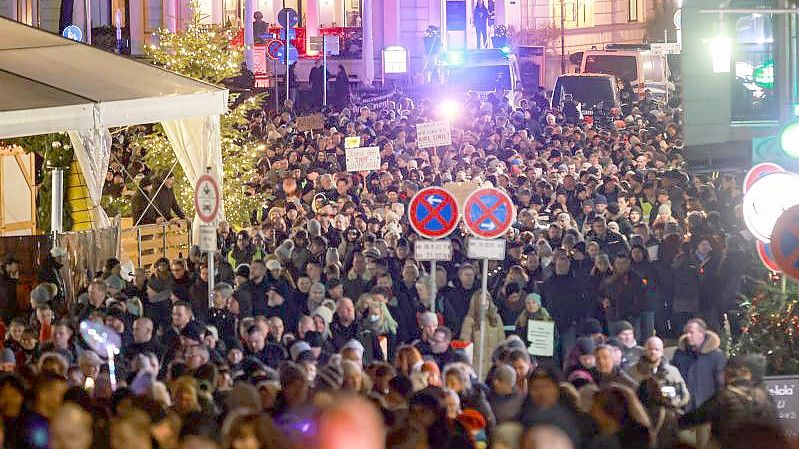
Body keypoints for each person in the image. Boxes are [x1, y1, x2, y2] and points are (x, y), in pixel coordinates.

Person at [671, 318, 726, 412]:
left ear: (702, 334)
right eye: (686, 332)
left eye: (691, 332)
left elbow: (721, 385)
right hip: (682, 408)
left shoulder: (716, 356)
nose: (688, 336)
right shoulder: (680, 354)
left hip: (707, 408)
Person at [627, 336, 690, 410]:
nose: (653, 352)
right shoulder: (632, 371)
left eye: (656, 349)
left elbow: (684, 395)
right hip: (642, 414)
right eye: (650, 349)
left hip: (667, 414)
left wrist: (673, 403)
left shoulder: (672, 372)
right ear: (645, 350)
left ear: (662, 351)